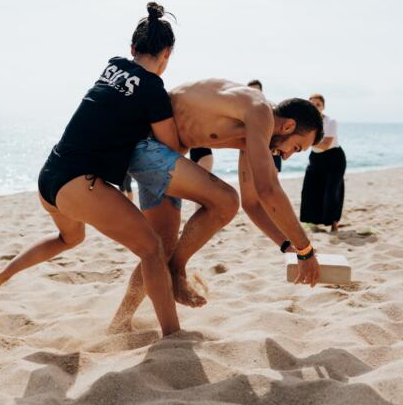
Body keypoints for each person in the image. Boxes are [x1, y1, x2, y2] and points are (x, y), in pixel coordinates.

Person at [0, 3, 183, 337]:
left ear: (132, 49)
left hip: (49, 177)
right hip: (79, 184)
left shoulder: (114, 66)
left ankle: (1, 275)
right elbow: (170, 146)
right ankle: (171, 334)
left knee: (68, 237)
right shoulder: (153, 89)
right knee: (152, 248)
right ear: (167, 54)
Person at [109, 78, 323, 333]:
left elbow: (253, 204)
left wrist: (287, 246)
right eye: (295, 148)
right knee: (225, 201)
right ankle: (177, 270)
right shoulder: (259, 110)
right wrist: (305, 250)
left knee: (160, 248)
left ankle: (119, 323)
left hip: (161, 155)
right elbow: (269, 190)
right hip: (142, 144)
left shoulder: (254, 135)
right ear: (288, 126)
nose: (287, 156)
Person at [300, 94, 346, 233]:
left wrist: (305, 144)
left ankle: (333, 224)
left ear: (323, 107)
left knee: (332, 191)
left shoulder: (331, 122)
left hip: (334, 158)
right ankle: (312, 221)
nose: (315, 107)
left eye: (318, 104)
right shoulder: (305, 124)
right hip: (316, 158)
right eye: (312, 104)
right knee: (310, 188)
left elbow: (325, 144)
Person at [248, 79, 282, 172]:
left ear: (261, 92)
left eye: (256, 90)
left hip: (271, 150)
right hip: (253, 152)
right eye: (250, 91)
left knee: (272, 182)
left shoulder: (272, 107)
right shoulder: (245, 111)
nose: (254, 93)